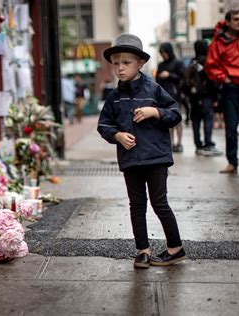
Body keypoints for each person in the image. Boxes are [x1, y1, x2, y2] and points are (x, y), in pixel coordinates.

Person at [98, 34, 186, 269]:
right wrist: (116, 135)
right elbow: (104, 124)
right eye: (116, 63)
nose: (120, 68)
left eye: (126, 63)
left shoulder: (154, 89)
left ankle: (175, 249)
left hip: (156, 157)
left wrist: (155, 112)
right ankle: (143, 250)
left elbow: (175, 113)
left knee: (159, 202)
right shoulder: (114, 97)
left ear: (140, 63)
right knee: (136, 205)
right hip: (130, 159)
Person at [205, 9, 239, 174]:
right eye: (236, 19)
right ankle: (232, 162)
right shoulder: (218, 42)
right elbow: (211, 66)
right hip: (231, 87)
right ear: (227, 22)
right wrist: (224, 78)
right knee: (231, 127)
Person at [181, 40, 222, 156]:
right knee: (208, 120)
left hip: (194, 98)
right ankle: (208, 144)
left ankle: (198, 145)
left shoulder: (192, 62)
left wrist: (191, 95)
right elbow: (211, 81)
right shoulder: (207, 62)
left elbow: (185, 83)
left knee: (196, 122)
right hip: (206, 97)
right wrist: (215, 98)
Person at [156, 43, 186, 153]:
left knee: (177, 120)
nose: (163, 55)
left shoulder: (178, 63)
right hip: (164, 96)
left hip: (176, 96)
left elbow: (182, 78)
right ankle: (171, 142)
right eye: (161, 53)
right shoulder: (161, 65)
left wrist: (169, 75)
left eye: (164, 53)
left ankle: (179, 143)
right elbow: (157, 81)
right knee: (167, 120)